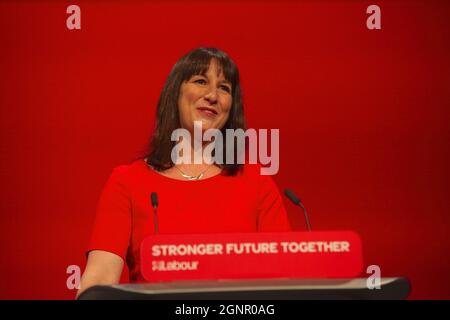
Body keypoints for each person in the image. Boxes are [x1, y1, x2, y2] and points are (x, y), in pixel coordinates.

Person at [77, 48, 292, 297]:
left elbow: (283, 282)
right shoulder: (128, 181)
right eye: (201, 81)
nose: (212, 95)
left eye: (224, 88)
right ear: (175, 94)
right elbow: (99, 281)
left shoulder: (257, 183)